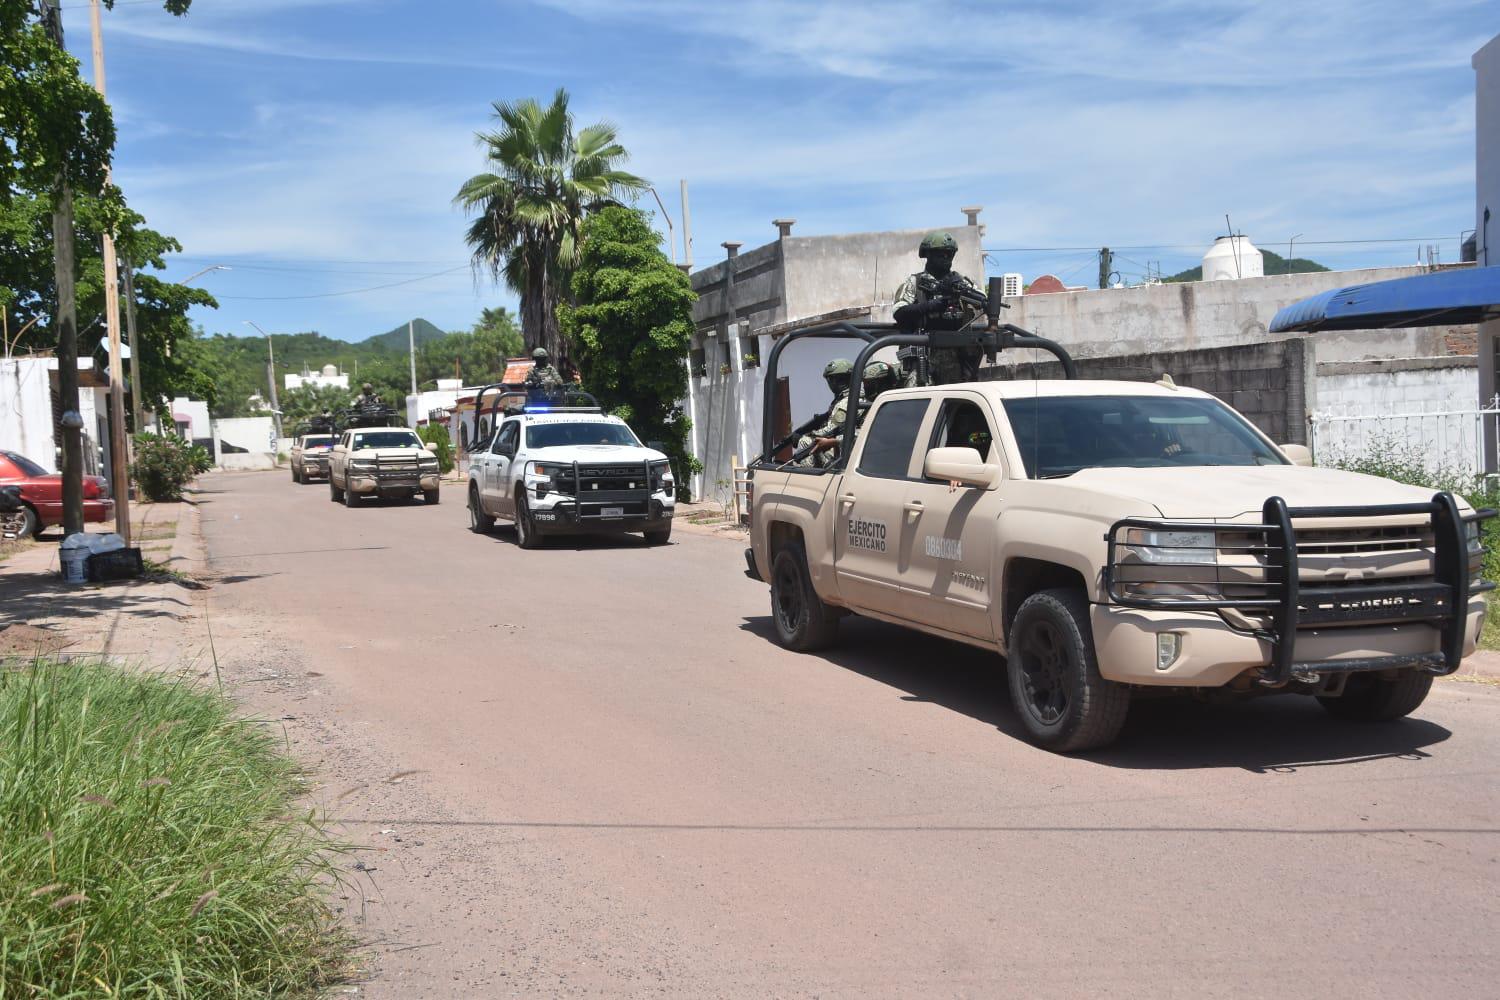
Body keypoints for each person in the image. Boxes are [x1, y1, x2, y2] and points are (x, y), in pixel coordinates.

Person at [891, 231, 985, 385]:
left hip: (957, 364)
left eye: (949, 254)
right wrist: (933, 305)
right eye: (940, 254)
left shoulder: (961, 282)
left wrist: (962, 290)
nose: (946, 257)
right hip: (923, 362)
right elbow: (899, 312)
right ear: (928, 255)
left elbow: (982, 300)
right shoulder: (915, 282)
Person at [796, 358, 855, 466]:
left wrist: (806, 435)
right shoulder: (849, 398)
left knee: (805, 441)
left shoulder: (846, 402)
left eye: (832, 379)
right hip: (846, 446)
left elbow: (831, 430)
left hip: (842, 450)